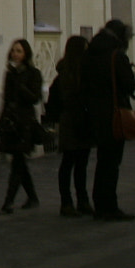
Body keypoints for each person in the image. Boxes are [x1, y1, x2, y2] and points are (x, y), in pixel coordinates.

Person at [83, 18, 135, 222]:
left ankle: (99, 203)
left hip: (95, 115)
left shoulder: (90, 53)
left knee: (102, 160)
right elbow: (129, 85)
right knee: (112, 162)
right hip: (114, 115)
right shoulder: (117, 56)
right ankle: (109, 205)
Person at [0, 40, 43, 212]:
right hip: (11, 123)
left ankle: (8, 201)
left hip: (25, 123)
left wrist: (22, 88)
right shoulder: (10, 74)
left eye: (19, 51)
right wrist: (0, 122)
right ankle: (32, 197)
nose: (15, 54)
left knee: (17, 161)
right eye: (13, 50)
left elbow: (35, 98)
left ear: (26, 54)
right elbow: (6, 100)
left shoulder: (33, 73)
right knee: (19, 161)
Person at [47, 35, 93, 218]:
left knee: (78, 163)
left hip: (75, 120)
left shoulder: (79, 72)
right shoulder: (69, 74)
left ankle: (80, 200)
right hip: (74, 120)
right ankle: (69, 202)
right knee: (71, 163)